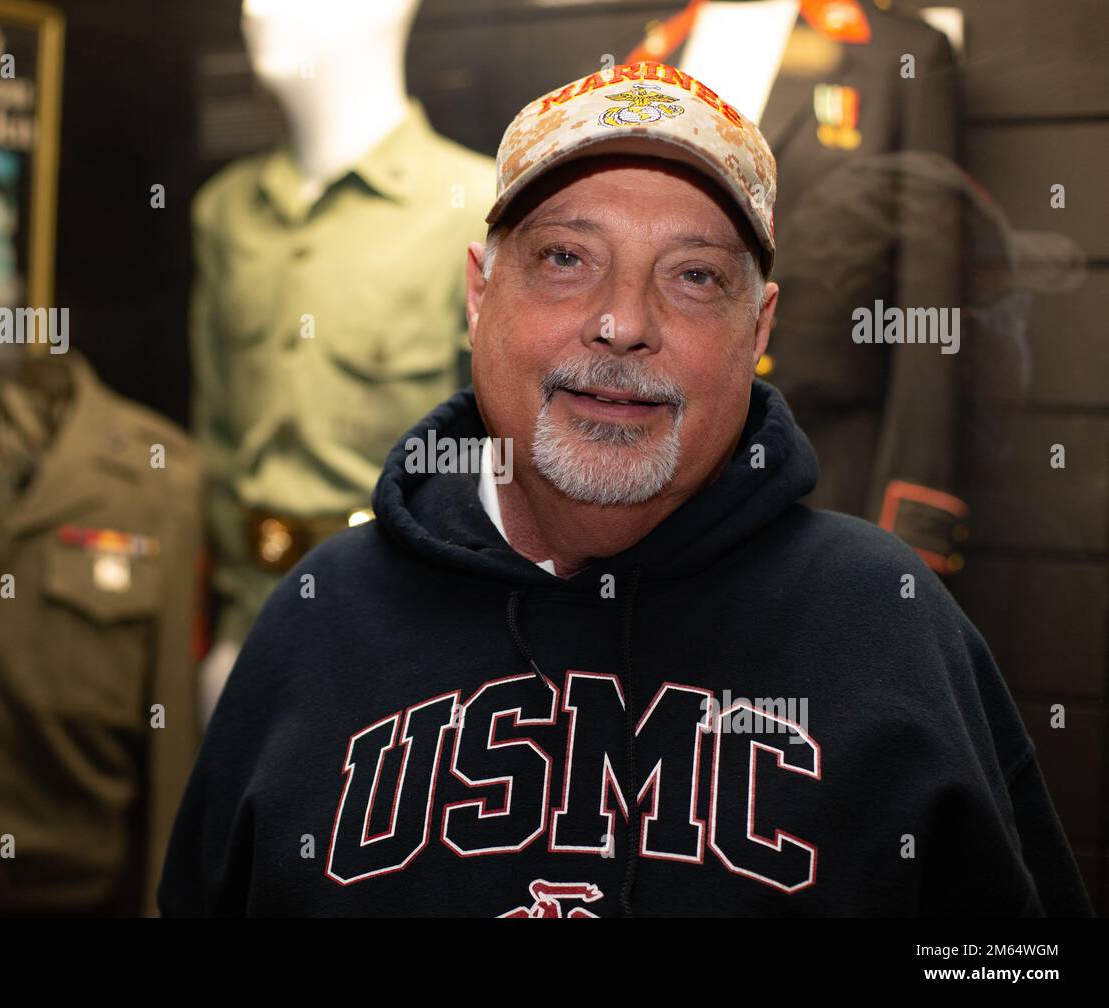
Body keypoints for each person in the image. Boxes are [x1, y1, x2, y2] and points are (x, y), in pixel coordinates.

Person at [158, 62, 1092, 917]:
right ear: (479, 295)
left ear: (758, 325)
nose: (622, 323)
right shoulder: (319, 620)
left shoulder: (886, 625)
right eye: (567, 258)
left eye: (693, 277)